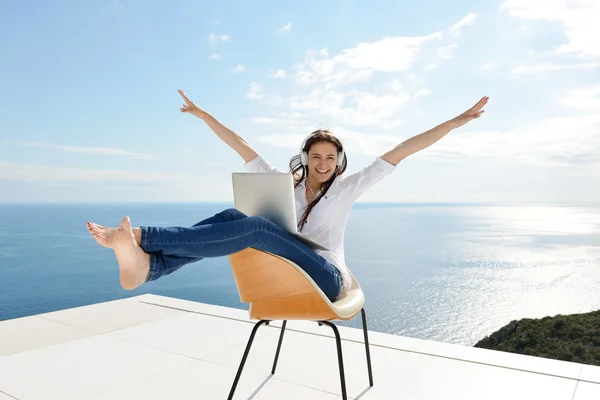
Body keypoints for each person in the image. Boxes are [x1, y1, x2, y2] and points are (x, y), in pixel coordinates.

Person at [87, 89, 488, 301]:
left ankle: (142, 238)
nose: (324, 163)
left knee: (257, 228)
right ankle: (148, 269)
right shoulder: (285, 185)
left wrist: (457, 120)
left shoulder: (349, 187)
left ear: (339, 160)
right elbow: (242, 146)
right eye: (317, 156)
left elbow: (404, 148)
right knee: (232, 217)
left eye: (331, 157)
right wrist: (206, 116)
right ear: (306, 158)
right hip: (289, 268)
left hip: (327, 277)